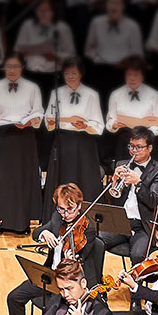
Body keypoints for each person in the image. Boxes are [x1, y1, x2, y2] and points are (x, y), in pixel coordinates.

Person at [2, 183, 103, 315]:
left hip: (68, 281)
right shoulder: (58, 219)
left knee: (50, 311)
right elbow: (36, 233)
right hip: (49, 274)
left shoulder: (88, 229)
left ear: (79, 206)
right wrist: (44, 233)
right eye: (61, 209)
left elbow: (82, 259)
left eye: (70, 210)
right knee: (14, 297)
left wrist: (72, 260)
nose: (66, 214)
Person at [0, 53, 45, 233]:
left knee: (22, 179)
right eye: (8, 66)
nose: (12, 70)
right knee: (2, 180)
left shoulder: (32, 87)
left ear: (22, 67)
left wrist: (28, 121)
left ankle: (22, 223)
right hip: (2, 136)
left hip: (24, 138)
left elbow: (38, 112)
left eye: (15, 67)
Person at [44, 58, 105, 205]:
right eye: (67, 73)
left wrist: (85, 125)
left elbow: (99, 124)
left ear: (81, 73)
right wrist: (51, 122)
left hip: (84, 143)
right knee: (63, 178)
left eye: (74, 73)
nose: (70, 76)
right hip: (63, 142)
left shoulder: (91, 94)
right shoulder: (56, 93)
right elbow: (48, 118)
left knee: (85, 180)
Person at [100, 127, 158, 258]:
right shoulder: (121, 164)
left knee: (138, 255)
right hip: (120, 222)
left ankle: (133, 279)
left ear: (150, 148)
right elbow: (110, 200)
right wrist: (113, 182)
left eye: (138, 147)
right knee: (95, 241)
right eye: (131, 146)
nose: (133, 151)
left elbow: (153, 200)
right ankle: (96, 278)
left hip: (143, 226)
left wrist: (138, 183)